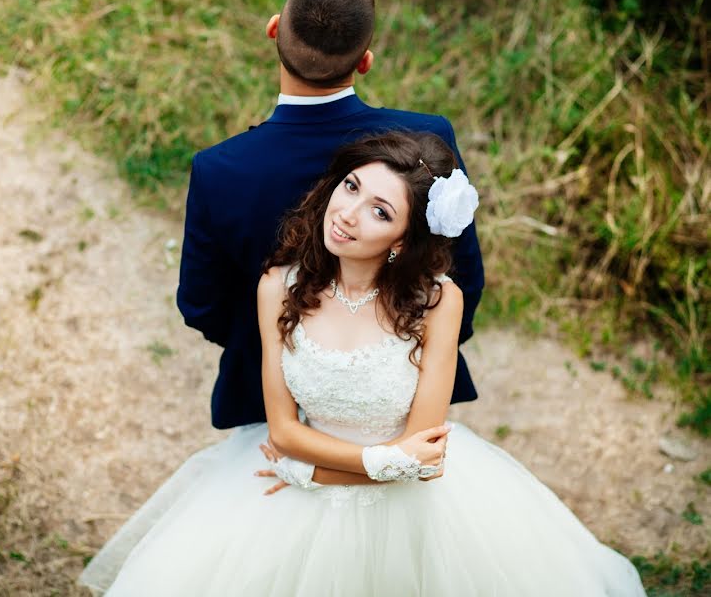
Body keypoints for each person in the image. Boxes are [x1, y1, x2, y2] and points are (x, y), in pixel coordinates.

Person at [78, 132, 646, 595]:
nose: (347, 214)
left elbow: (423, 456)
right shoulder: (277, 286)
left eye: (378, 210)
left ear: (402, 239)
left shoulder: (438, 302)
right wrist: (377, 460)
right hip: (293, 493)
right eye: (350, 187)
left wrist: (309, 472)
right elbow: (282, 430)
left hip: (406, 511)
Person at [176, 0, 484, 432]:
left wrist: (286, 348)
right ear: (365, 61)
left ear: (273, 29)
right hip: (401, 391)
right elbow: (462, 274)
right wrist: (407, 358)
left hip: (264, 396)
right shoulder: (428, 139)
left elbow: (200, 305)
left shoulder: (220, 169)